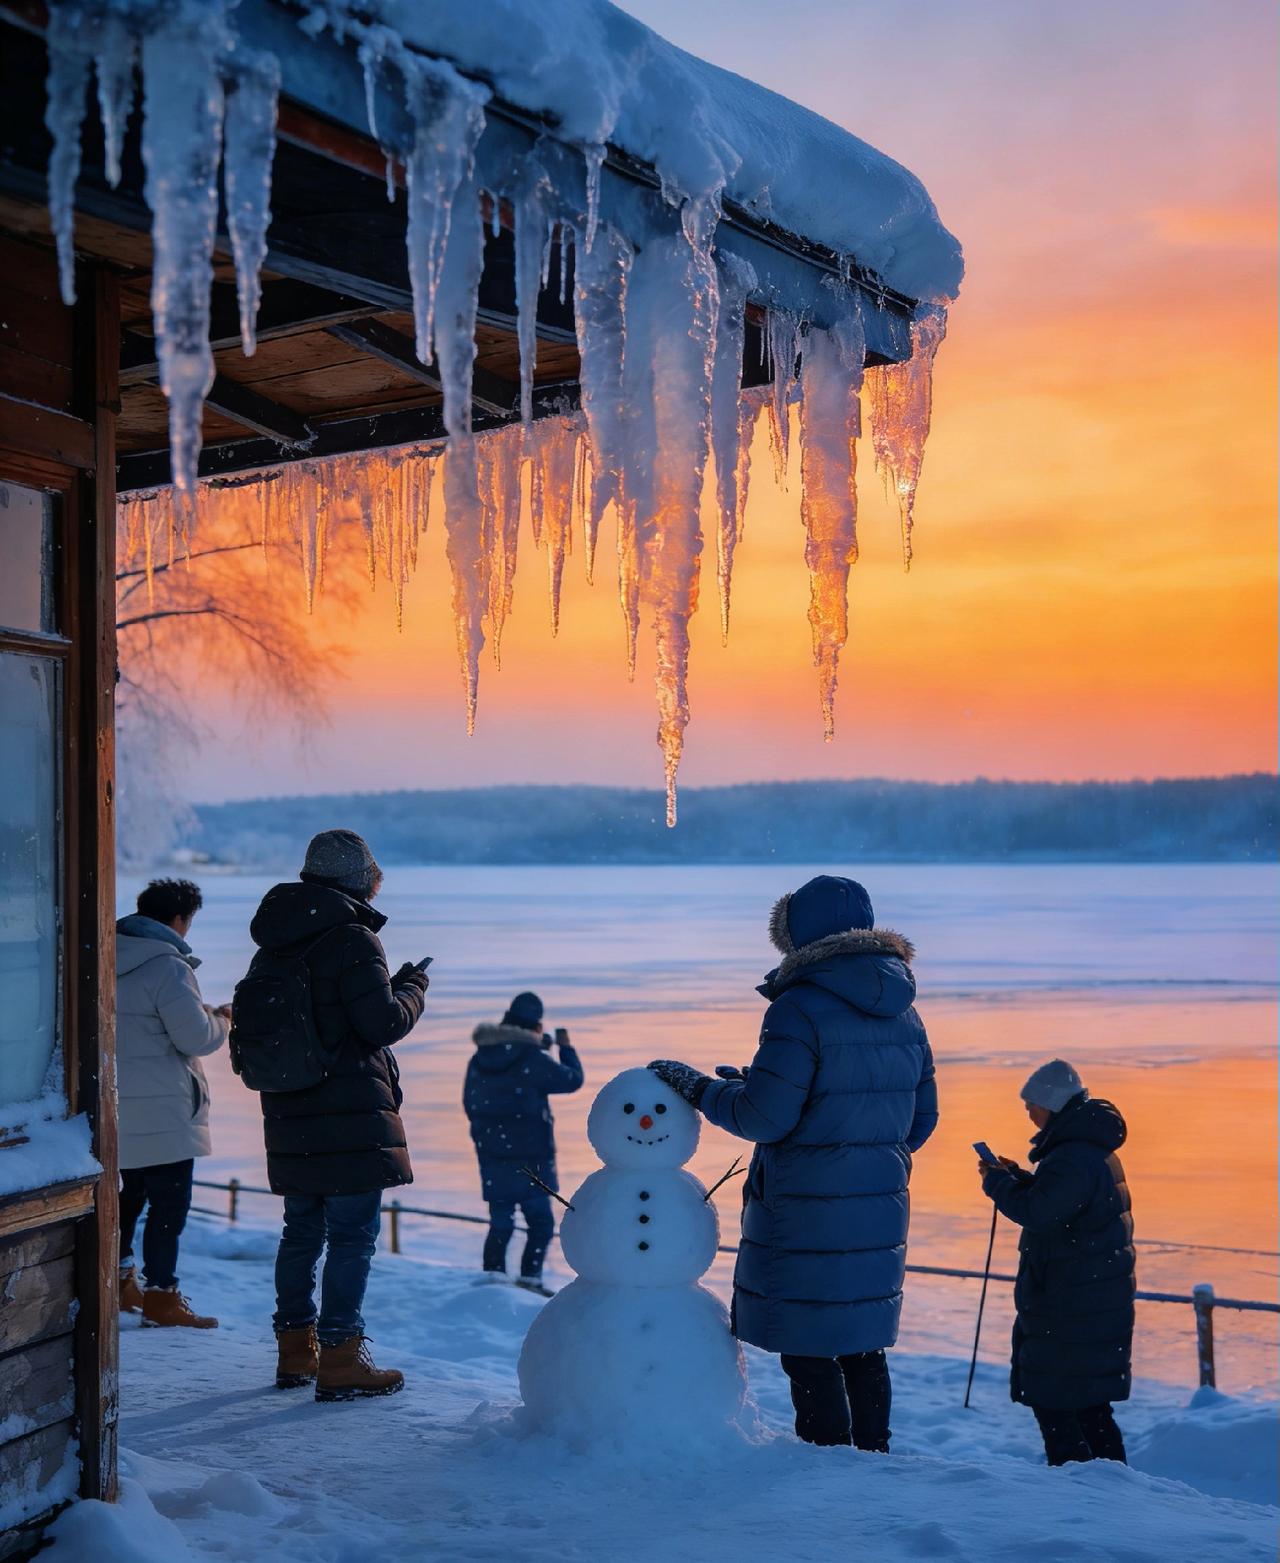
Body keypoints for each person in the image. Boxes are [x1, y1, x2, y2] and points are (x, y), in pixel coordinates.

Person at [650, 873, 937, 1453]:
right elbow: (918, 1121)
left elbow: (764, 1119)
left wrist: (703, 1090)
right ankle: (872, 1454)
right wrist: (860, 1149)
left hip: (808, 1207)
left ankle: (826, 1458)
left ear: (797, 935)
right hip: (879, 1206)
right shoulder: (904, 1011)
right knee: (860, 1341)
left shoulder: (799, 1006)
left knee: (807, 1344)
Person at [242, 830, 428, 1402]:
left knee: (301, 1233)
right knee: (352, 1237)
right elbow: (381, 1025)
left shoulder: (274, 943)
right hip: (349, 1116)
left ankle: (296, 1352)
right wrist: (412, 989)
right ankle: (342, 1357)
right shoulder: (352, 939)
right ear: (359, 879)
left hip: (291, 1111)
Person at [978, 1059, 1134, 1467]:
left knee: (1058, 1404)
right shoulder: (1083, 1152)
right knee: (1088, 1406)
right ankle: (1111, 1487)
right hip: (1088, 1299)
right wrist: (1020, 1178)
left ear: (1052, 1104)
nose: (1029, 1112)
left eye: (1032, 1104)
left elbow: (1042, 1213)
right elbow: (1062, 1206)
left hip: (1070, 1304)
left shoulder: (1071, 1157)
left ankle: (1077, 1491)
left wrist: (997, 1184)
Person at [115, 878, 230, 1329]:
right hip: (165, 1115)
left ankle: (122, 1284)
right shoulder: (169, 966)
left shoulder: (102, 954)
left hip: (118, 1107)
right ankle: (162, 1296)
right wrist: (221, 1019)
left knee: (128, 1200)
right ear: (180, 920)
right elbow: (195, 1038)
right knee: (169, 1208)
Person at [464, 991, 584, 1296]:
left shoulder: (481, 1057)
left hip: (492, 1153)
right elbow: (571, 1079)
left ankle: (494, 1278)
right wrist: (565, 1048)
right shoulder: (532, 1059)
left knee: (501, 1221)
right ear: (536, 1027)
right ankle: (530, 1280)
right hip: (532, 1156)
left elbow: (470, 1102)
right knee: (540, 1223)